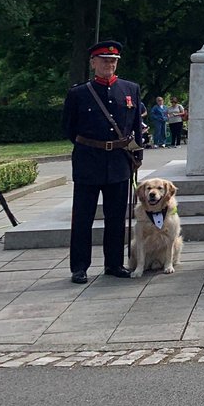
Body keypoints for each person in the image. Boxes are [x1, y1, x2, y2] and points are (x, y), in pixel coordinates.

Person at [61, 41, 144, 284]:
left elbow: (136, 127)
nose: (109, 64)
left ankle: (114, 263)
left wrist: (137, 155)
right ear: (93, 63)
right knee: (83, 217)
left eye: (113, 60)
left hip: (119, 161)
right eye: (104, 60)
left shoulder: (130, 89)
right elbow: (69, 127)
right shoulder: (79, 93)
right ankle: (79, 266)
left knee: (116, 216)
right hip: (89, 160)